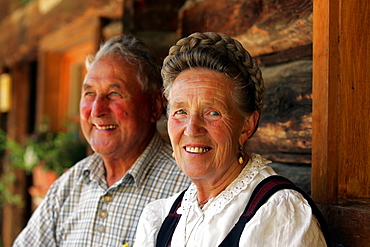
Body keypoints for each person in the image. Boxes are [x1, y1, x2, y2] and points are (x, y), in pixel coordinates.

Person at [134, 32, 330, 247]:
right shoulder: (159, 218)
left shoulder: (278, 215)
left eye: (213, 112)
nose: (192, 129)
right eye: (180, 111)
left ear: (247, 125)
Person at [13, 34, 190, 247]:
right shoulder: (69, 186)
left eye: (114, 94)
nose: (96, 110)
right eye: (89, 93)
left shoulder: (186, 187)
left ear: (154, 106)